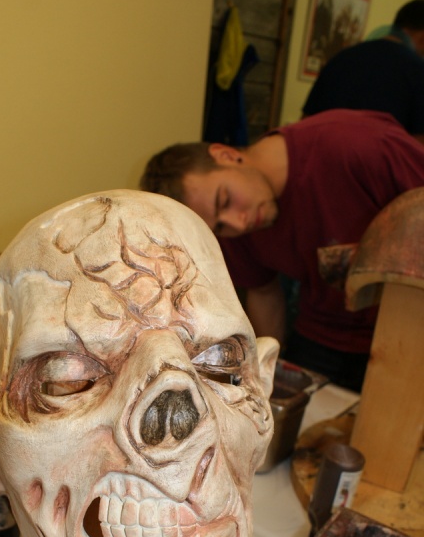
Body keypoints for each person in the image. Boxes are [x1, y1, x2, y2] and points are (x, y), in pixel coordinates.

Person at [139, 109, 424, 391]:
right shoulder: (232, 230)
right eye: (220, 226)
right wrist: (259, 376)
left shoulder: (355, 145)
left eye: (225, 200)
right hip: (322, 335)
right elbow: (264, 292)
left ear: (226, 155)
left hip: (408, 329)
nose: (239, 223)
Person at [302, 0, 424, 144]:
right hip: (377, 159)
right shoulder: (418, 72)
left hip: (321, 154)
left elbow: (304, 124)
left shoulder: (341, 58)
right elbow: (418, 146)